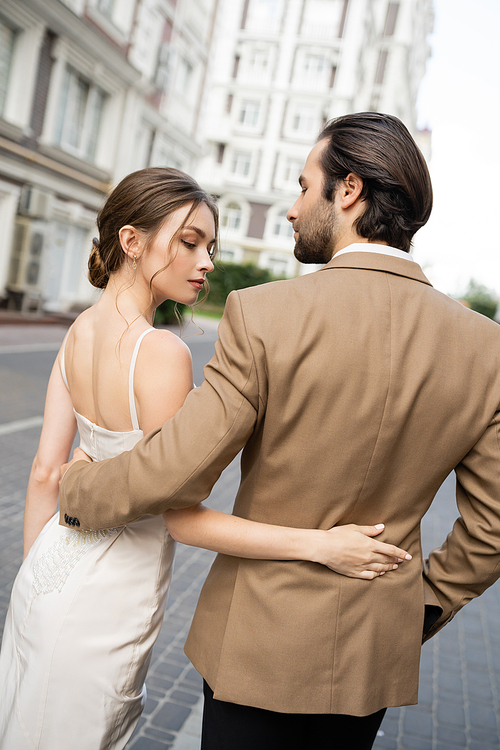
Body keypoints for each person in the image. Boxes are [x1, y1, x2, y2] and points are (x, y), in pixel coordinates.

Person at [59, 112, 500, 750]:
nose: (292, 210)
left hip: (255, 649)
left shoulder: (267, 315)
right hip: (368, 661)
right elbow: (492, 527)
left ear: (347, 191)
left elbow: (174, 470)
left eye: (302, 186)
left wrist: (78, 491)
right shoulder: (485, 349)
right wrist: (419, 605)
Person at [0, 166, 409, 750]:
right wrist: (319, 545)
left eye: (210, 247)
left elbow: (45, 473)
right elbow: (179, 516)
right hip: (108, 592)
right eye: (189, 242)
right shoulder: (161, 351)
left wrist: (34, 583)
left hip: (44, 574)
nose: (207, 261)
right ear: (132, 241)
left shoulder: (76, 332)